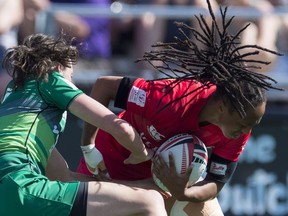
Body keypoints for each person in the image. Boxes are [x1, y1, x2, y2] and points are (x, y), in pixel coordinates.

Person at [76, 0, 283, 215]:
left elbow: (215, 182)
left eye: (253, 124)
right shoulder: (173, 98)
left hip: (166, 185)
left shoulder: (240, 127)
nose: (247, 130)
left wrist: (184, 192)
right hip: (110, 170)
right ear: (222, 107)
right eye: (244, 123)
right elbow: (105, 86)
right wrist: (89, 148)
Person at [0, 32, 168, 216]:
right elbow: (121, 129)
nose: (72, 82)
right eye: (71, 76)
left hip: (11, 195)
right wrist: (145, 154)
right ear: (57, 67)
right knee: (150, 202)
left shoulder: (17, 113)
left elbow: (64, 178)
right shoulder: (49, 79)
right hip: (19, 187)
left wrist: (140, 185)